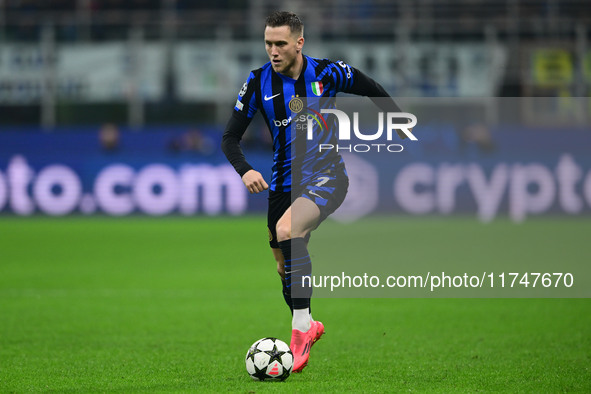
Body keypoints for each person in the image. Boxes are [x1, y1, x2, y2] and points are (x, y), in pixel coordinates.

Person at [222, 11, 407, 373]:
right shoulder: (258, 81)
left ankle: (301, 329)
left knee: (288, 231)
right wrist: (245, 170)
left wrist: (396, 117)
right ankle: (308, 323)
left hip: (327, 177)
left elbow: (369, 84)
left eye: (280, 44)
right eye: (268, 43)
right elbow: (230, 138)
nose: (273, 51)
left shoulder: (327, 73)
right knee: (283, 265)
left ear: (299, 43)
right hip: (282, 184)